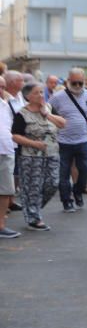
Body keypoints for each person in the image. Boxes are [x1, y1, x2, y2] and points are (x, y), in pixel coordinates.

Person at [11, 83, 65, 231]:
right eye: (36, 93)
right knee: (32, 187)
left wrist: (47, 115)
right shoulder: (21, 114)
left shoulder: (48, 108)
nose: (41, 95)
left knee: (52, 183)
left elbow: (63, 123)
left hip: (52, 153)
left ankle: (32, 207)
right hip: (30, 156)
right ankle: (34, 218)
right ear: (28, 96)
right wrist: (34, 144)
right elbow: (15, 136)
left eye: (42, 92)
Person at [48, 68, 87, 213]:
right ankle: (67, 201)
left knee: (86, 169)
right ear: (68, 81)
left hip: (84, 141)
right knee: (63, 173)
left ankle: (78, 191)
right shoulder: (57, 97)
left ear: (84, 81)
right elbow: (47, 114)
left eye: (80, 83)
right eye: (74, 83)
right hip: (62, 142)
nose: (77, 86)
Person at [0, 76, 22, 238]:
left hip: (7, 150)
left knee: (6, 190)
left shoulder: (5, 104)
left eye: (2, 86)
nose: (1, 90)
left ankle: (0, 225)